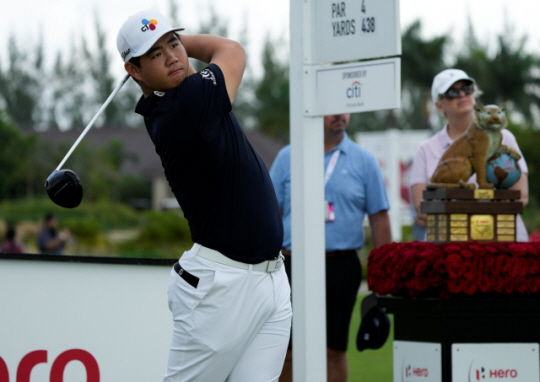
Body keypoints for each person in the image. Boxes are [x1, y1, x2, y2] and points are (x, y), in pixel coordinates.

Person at [117, 10, 292, 382]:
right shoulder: (189, 104)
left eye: (174, 43)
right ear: (134, 71)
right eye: (154, 54)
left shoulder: (177, 99)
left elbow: (202, 65)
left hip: (271, 280)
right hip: (220, 287)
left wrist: (162, 44)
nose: (172, 56)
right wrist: (186, 42)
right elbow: (229, 50)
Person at [269, 113, 392, 382]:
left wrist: (385, 275)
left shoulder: (364, 160)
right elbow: (268, 211)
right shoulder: (289, 157)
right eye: (330, 108)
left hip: (340, 265)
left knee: (333, 350)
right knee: (286, 351)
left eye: (345, 108)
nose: (339, 115)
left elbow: (379, 216)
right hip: (292, 266)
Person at [410, 69, 529, 241]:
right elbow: (422, 209)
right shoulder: (425, 149)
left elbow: (521, 196)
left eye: (467, 88)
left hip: (504, 242)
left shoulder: (505, 137)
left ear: (474, 93)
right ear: (438, 105)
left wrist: (460, 209)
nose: (461, 94)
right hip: (448, 247)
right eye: (451, 92)